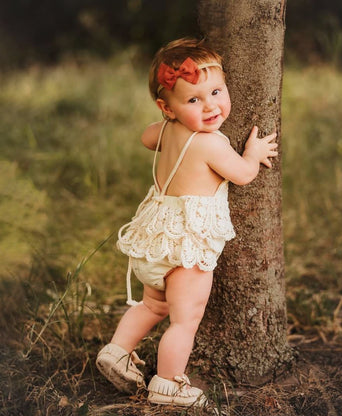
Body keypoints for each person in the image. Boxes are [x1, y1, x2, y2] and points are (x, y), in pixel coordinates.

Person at [96, 37, 278, 407]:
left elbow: (147, 137)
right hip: (188, 247)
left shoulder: (165, 130)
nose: (211, 106)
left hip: (156, 239)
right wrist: (253, 152)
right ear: (168, 106)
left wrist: (173, 120)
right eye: (194, 100)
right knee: (184, 320)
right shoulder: (212, 144)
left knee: (153, 306)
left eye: (215, 91)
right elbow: (243, 174)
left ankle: (116, 351)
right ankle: (167, 384)